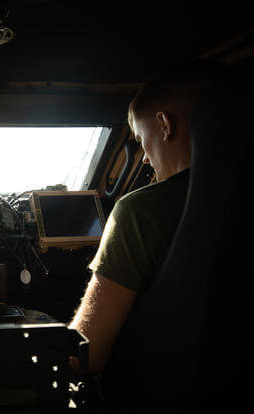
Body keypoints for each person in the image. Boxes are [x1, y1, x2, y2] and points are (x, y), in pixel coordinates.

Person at [68, 59, 223, 375]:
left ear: (165, 124)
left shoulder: (140, 211)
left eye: (140, 141)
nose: (146, 160)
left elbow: (84, 355)